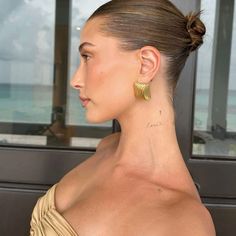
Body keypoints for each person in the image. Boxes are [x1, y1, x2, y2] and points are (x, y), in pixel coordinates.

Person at [30, 0, 216, 235]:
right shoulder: (107, 147)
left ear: (146, 65)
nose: (75, 80)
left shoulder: (184, 222)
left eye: (88, 56)